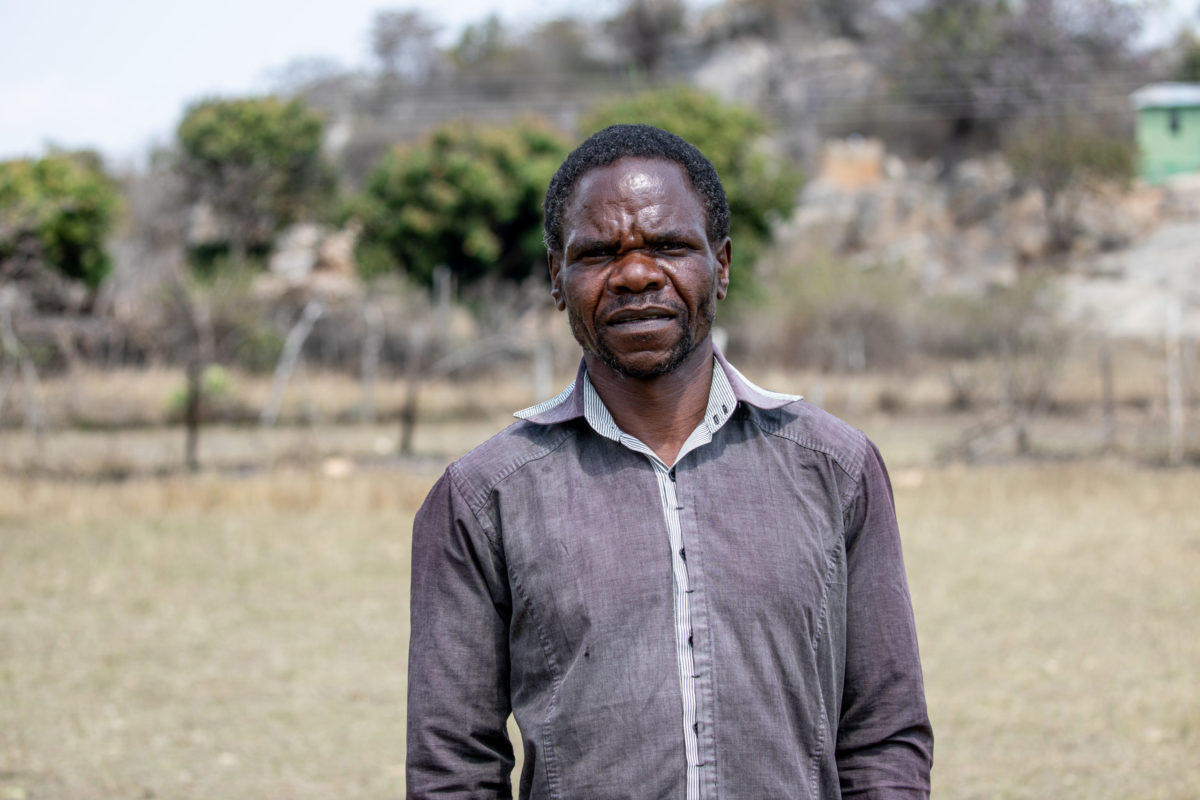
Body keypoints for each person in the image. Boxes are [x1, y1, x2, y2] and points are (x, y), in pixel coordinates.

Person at [407, 124, 933, 799]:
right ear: (555, 279)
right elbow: (453, 767)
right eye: (598, 253)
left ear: (722, 266)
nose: (635, 274)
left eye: (668, 246)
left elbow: (883, 736)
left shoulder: (836, 467)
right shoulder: (482, 497)